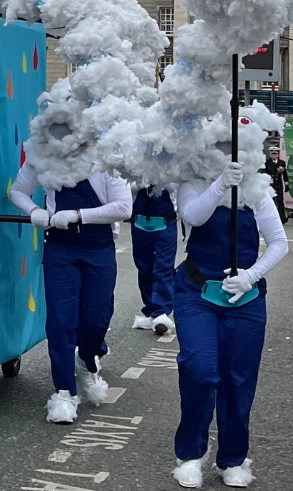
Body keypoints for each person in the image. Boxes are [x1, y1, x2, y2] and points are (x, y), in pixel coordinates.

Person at [172, 160, 288, 489]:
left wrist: (251, 276)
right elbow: (193, 215)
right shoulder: (191, 180)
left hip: (245, 300)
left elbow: (279, 242)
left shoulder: (257, 189)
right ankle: (191, 453)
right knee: (199, 366)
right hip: (196, 292)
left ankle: (234, 457)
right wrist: (222, 183)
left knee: (238, 380)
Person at [10, 163, 132, 423]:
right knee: (60, 321)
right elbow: (17, 191)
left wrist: (77, 215)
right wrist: (34, 210)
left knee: (97, 318)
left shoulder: (105, 159)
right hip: (60, 247)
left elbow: (123, 207)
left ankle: (87, 359)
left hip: (98, 247)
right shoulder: (44, 154)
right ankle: (64, 392)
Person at [130, 185, 177, 335]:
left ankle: (161, 311)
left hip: (165, 221)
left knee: (163, 267)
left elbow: (175, 185)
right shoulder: (135, 163)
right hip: (140, 221)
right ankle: (151, 309)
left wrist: (158, 179)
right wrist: (139, 182)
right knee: (144, 267)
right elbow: (124, 186)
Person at [264, 155, 288, 224]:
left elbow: (285, 174)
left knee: (280, 201)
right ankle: (270, 218)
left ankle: (282, 217)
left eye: (275, 153)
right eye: (272, 153)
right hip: (270, 185)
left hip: (279, 184)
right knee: (270, 201)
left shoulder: (282, 162)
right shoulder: (267, 162)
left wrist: (286, 184)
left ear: (278, 154)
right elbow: (264, 173)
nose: (274, 155)